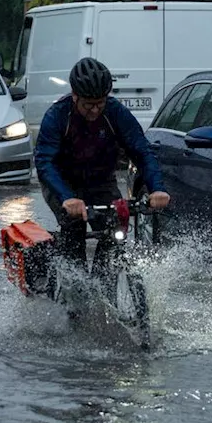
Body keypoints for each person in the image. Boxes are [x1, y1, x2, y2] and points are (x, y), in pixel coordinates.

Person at [34, 58, 171, 272]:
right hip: (63, 182)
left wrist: (157, 188)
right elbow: (44, 162)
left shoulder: (116, 113)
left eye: (100, 103)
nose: (95, 110)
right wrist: (66, 197)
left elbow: (142, 151)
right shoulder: (58, 115)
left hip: (101, 181)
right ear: (75, 96)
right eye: (89, 105)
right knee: (74, 231)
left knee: (115, 229)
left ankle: (105, 280)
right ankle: (72, 287)